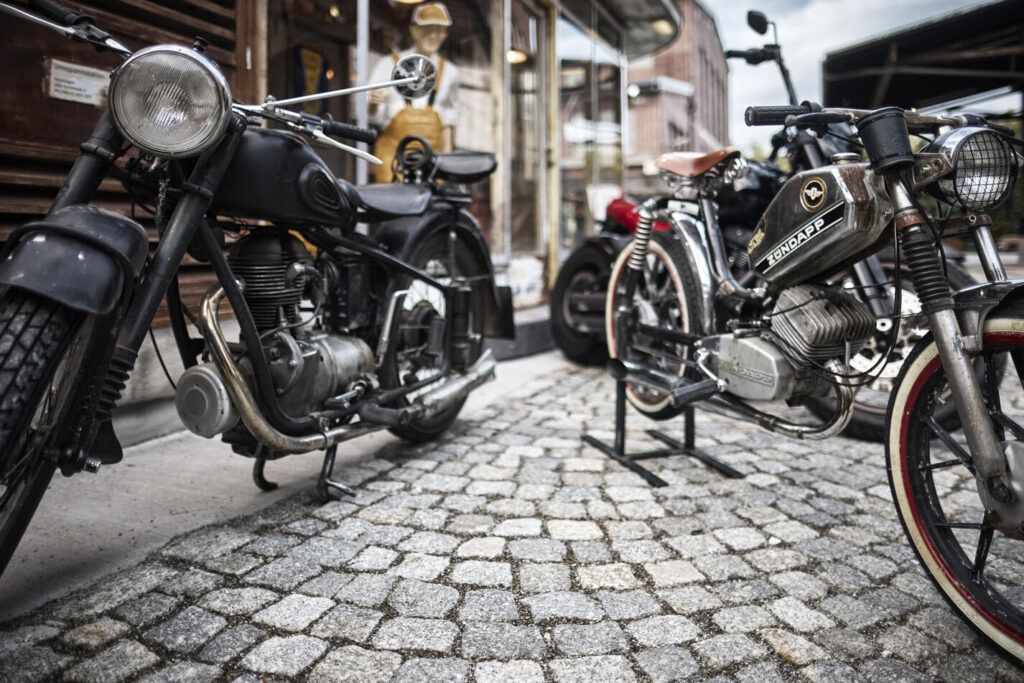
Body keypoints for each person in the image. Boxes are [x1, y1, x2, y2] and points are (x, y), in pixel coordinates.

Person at [368, 2, 459, 182]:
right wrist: (374, 103)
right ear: (414, 31)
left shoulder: (450, 72)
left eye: (439, 30)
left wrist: (447, 165)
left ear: (445, 34)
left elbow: (448, 122)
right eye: (428, 29)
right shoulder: (389, 65)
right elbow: (370, 116)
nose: (434, 35)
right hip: (392, 158)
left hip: (431, 161)